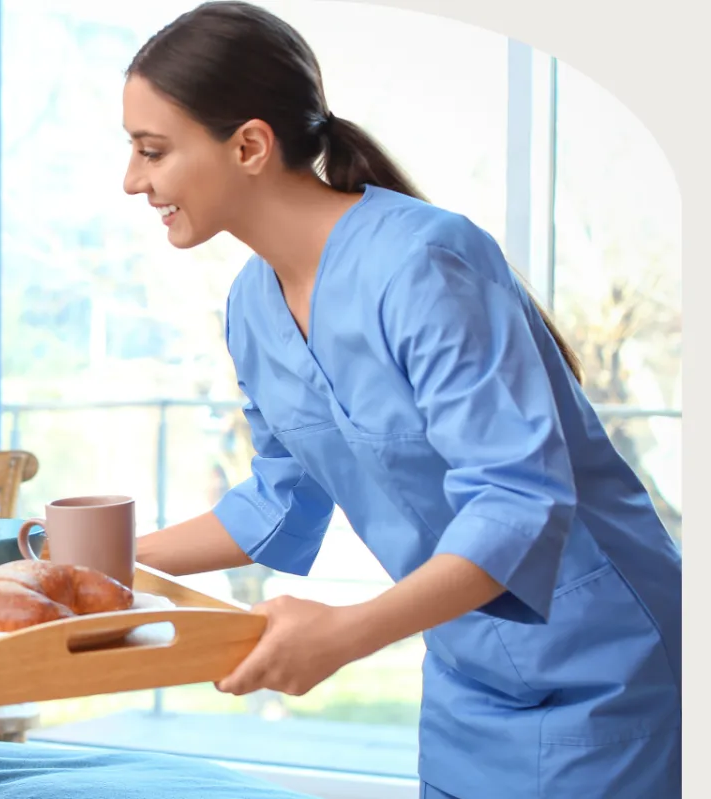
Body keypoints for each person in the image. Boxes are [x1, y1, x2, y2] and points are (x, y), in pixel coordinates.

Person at [122, 3, 681, 797]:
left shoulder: (423, 260)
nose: (133, 180)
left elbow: (516, 499)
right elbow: (278, 504)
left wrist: (346, 633)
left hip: (606, 666)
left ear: (249, 145)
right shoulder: (251, 306)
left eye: (152, 150)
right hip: (464, 676)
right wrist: (91, 560)